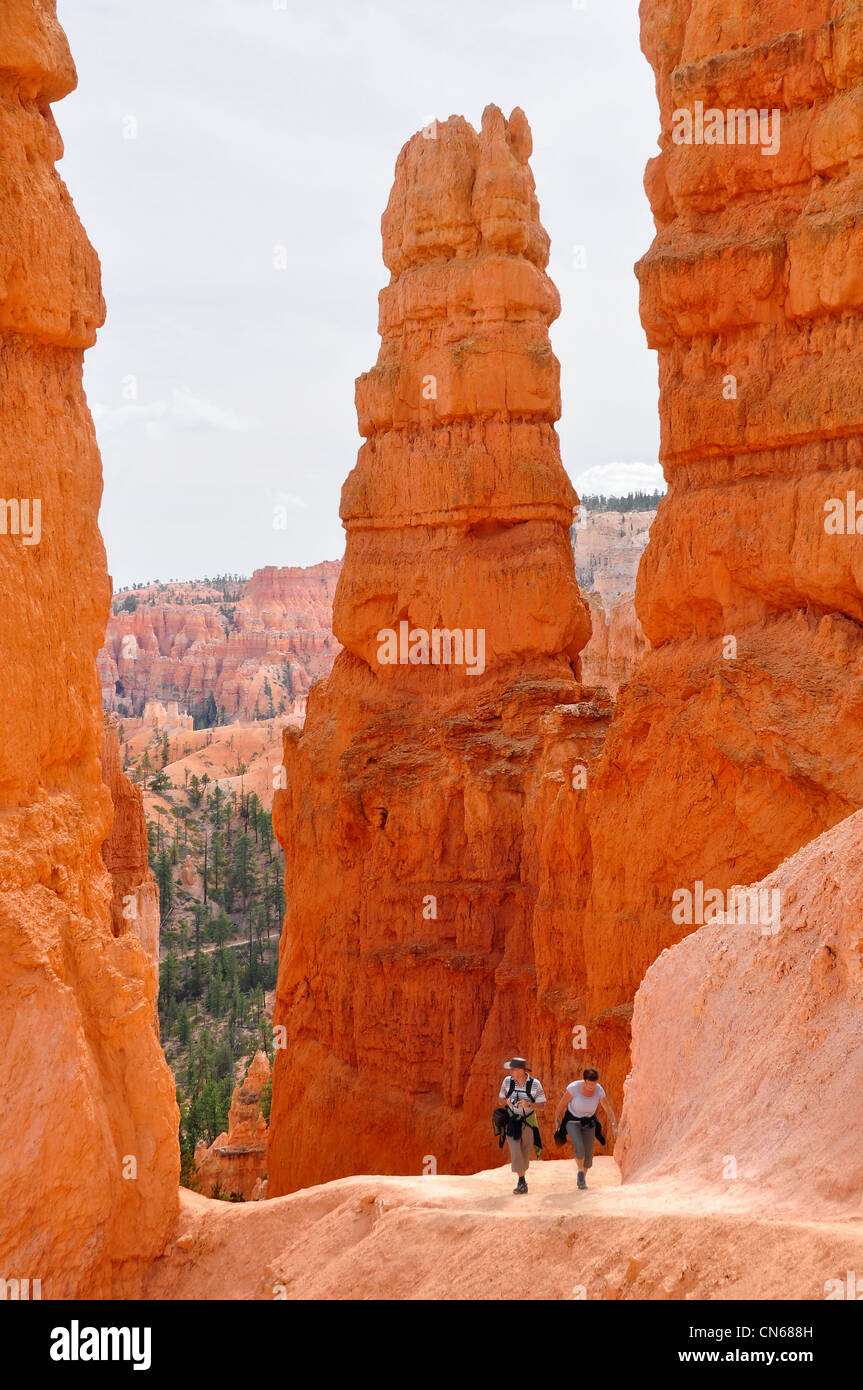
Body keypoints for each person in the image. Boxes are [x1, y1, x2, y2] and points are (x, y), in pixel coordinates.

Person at [553, 1067, 617, 1190]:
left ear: (596, 1082)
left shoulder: (599, 1090)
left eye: (594, 1084)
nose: (591, 1087)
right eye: (588, 1084)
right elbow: (561, 1106)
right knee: (579, 1147)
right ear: (584, 1081)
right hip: (572, 1120)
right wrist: (557, 1121)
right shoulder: (574, 1088)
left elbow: (608, 1108)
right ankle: (580, 1171)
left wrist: (614, 1125)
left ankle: (582, 1178)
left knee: (588, 1156)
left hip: (589, 1122)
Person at [499, 1057, 546, 1195]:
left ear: (521, 1070)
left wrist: (528, 1104)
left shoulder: (535, 1084)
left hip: (528, 1122)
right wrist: (506, 1101)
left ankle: (522, 1179)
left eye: (513, 1069)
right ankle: (521, 1181)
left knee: (525, 1152)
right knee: (515, 1150)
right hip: (512, 1122)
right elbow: (499, 1100)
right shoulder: (507, 1082)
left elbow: (542, 1105)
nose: (510, 1072)